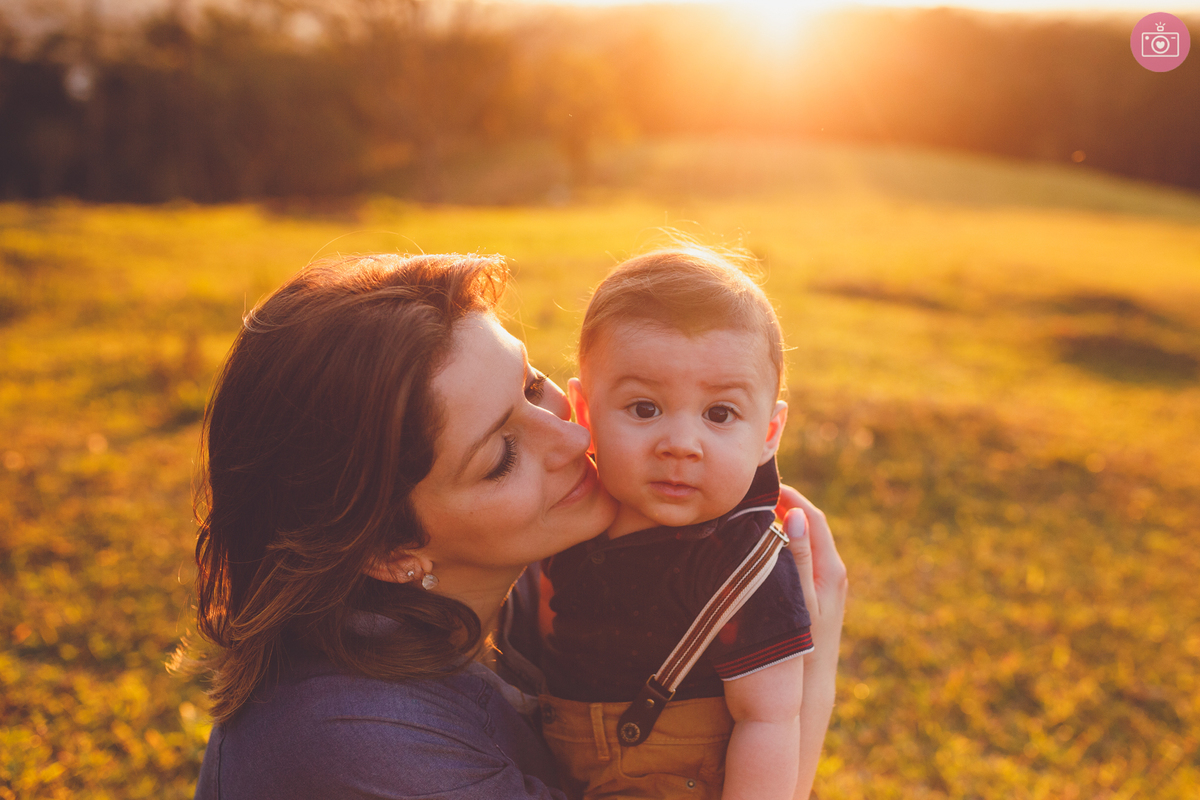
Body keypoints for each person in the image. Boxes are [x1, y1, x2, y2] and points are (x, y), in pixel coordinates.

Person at [187, 253, 847, 800]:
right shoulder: (365, 750)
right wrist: (810, 674)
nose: (567, 434)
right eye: (501, 456)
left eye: (531, 387)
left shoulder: (505, 591)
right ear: (390, 551)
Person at [539, 247, 809, 800]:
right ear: (586, 413)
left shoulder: (742, 558)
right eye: (644, 408)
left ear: (768, 434)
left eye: (719, 414)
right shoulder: (577, 511)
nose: (681, 445)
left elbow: (770, 721)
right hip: (565, 760)